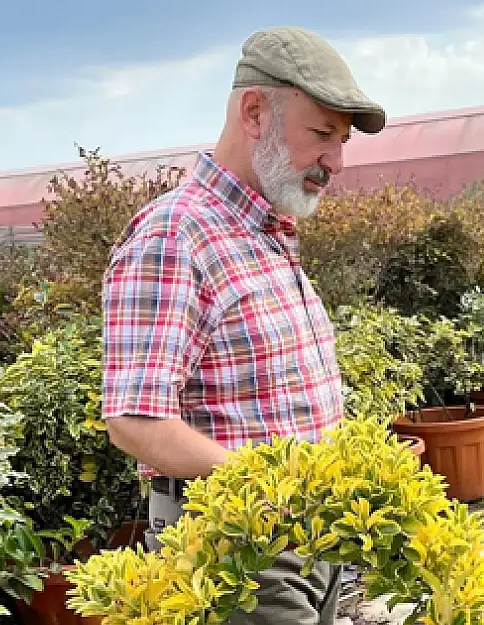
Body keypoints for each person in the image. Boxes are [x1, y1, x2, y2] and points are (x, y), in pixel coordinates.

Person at [99, 25, 386, 625]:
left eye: (342, 140)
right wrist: (273, 486)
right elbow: (133, 419)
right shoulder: (175, 235)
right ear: (254, 112)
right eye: (322, 134)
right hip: (239, 545)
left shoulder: (264, 233)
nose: (335, 160)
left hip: (306, 539)